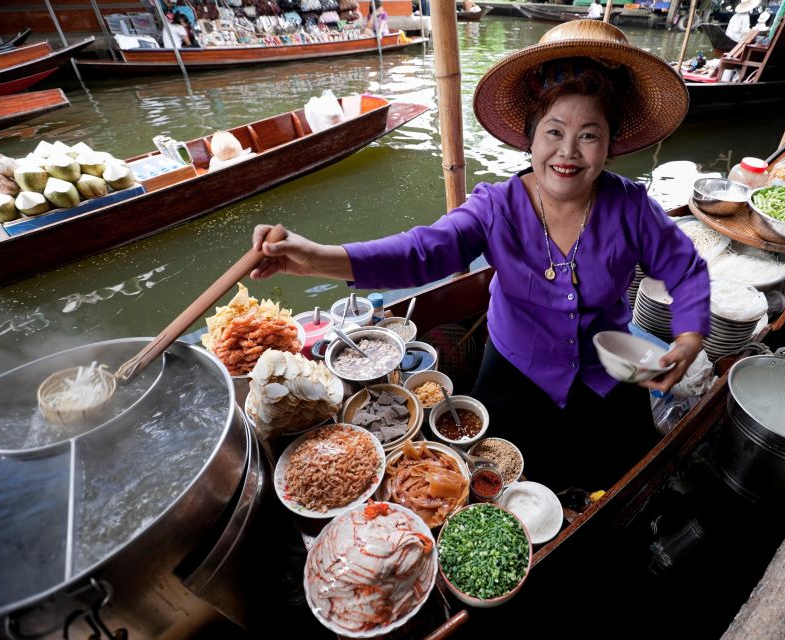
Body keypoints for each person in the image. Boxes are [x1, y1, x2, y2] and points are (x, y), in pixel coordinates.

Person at [251, 21, 710, 491]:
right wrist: (314, 258)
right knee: (499, 482)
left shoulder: (630, 205)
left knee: (621, 476)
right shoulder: (496, 206)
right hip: (515, 370)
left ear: (610, 144)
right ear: (530, 139)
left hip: (606, 372)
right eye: (554, 131)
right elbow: (421, 252)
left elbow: (687, 270)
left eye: (589, 135)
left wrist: (689, 340)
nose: (568, 152)